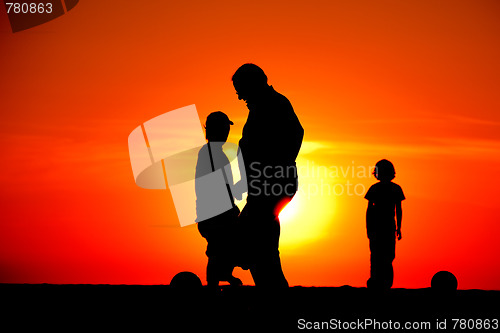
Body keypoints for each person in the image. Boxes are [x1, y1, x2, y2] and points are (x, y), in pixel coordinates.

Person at [232, 63, 304, 289]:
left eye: (240, 89)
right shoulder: (263, 106)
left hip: (272, 184)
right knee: (262, 243)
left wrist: (274, 167)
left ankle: (273, 296)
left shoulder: (274, 104)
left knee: (254, 239)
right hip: (263, 185)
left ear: (253, 84)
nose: (239, 96)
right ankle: (272, 295)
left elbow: (296, 134)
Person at [195, 111, 243, 289]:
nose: (226, 133)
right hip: (215, 214)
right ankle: (213, 288)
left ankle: (222, 279)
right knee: (218, 249)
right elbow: (217, 186)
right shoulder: (212, 154)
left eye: (226, 129)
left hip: (215, 213)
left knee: (222, 248)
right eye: (223, 129)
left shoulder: (212, 153)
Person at [364, 159, 405, 290]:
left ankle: (382, 282)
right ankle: (378, 282)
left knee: (384, 256)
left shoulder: (392, 189)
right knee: (379, 256)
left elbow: (398, 209)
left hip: (385, 227)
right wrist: (399, 227)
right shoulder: (378, 189)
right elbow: (369, 210)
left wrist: (399, 227)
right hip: (381, 227)